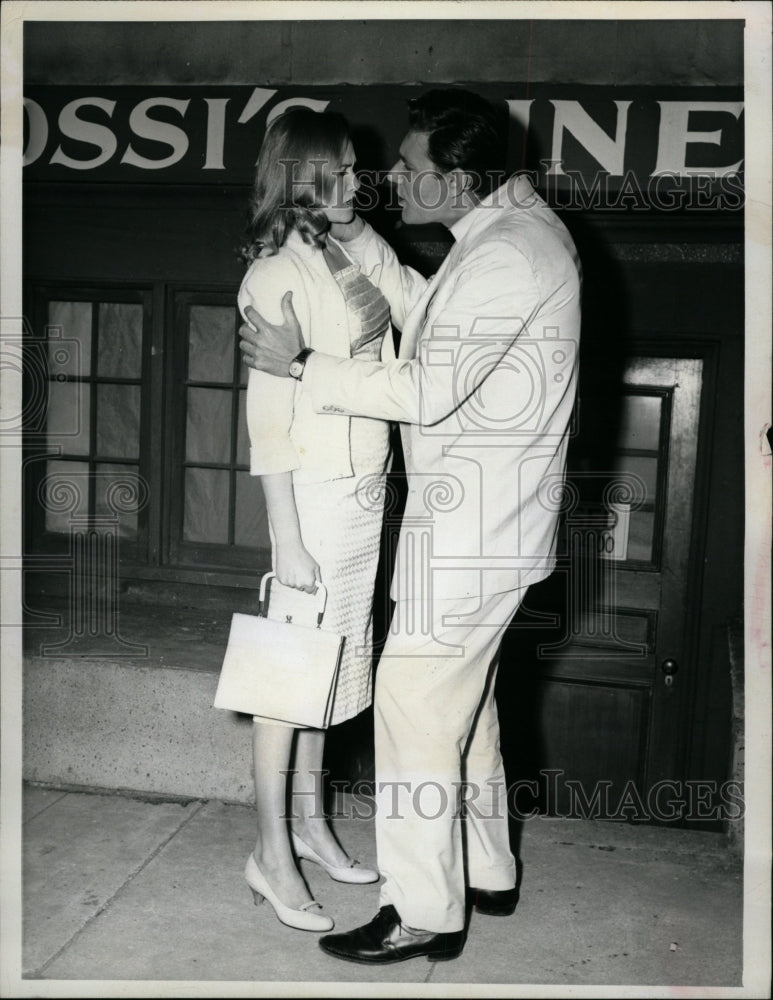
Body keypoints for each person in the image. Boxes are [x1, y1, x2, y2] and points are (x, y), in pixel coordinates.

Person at [239, 89, 582, 963]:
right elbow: (431, 310)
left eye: (409, 167)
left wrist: (304, 362)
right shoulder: (510, 232)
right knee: (464, 711)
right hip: (485, 530)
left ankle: (424, 909)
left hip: (469, 535)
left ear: (457, 181)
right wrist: (362, 246)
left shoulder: (508, 255)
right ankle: (487, 869)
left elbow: (424, 388)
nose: (390, 176)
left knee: (414, 711)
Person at [237, 107, 396, 933]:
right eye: (334, 171)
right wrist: (287, 537)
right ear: (298, 176)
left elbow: (396, 317)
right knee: (284, 685)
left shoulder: (352, 248)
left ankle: (310, 821)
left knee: (331, 676)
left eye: (354, 169)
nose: (353, 184)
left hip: (363, 496)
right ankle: (270, 853)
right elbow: (268, 422)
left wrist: (351, 227)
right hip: (311, 501)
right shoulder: (274, 273)